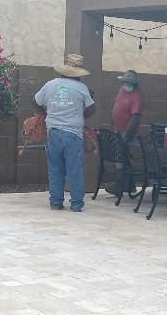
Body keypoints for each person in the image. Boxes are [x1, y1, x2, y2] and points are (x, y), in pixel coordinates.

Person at [34, 54, 95, 212]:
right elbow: (91, 109)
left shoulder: (50, 85)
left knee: (55, 168)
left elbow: (35, 102)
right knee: (74, 169)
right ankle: (76, 204)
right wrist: (79, 116)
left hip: (53, 133)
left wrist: (47, 113)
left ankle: (55, 202)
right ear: (79, 73)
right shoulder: (81, 88)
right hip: (73, 134)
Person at [110, 70, 145, 199]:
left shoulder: (137, 96)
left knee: (120, 158)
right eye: (126, 82)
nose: (127, 85)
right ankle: (129, 185)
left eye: (130, 83)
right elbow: (116, 105)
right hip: (117, 128)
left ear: (135, 84)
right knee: (122, 156)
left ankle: (119, 185)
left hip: (126, 129)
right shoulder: (121, 90)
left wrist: (127, 135)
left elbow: (135, 117)